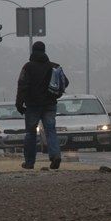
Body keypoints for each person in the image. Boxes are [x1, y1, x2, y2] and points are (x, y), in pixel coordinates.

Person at [15, 41, 68, 170]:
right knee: (50, 131)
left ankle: (29, 162)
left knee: (31, 133)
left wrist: (19, 103)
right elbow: (65, 82)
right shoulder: (54, 66)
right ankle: (55, 156)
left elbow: (22, 86)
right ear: (44, 51)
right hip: (50, 104)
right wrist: (55, 93)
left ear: (33, 51)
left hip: (33, 105)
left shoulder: (28, 67)